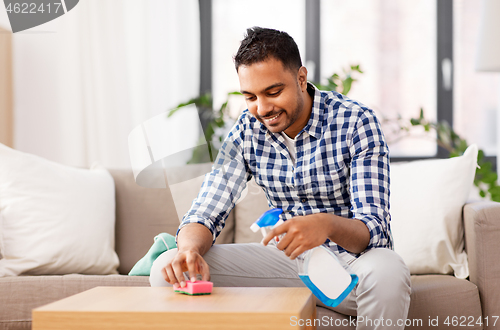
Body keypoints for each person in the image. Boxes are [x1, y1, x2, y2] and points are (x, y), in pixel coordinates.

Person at [150, 26, 411, 329]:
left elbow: (375, 230)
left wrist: (325, 224)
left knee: (389, 272)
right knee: (164, 271)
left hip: (353, 264)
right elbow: (206, 209)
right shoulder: (248, 130)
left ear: (301, 78)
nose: (262, 109)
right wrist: (188, 251)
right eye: (250, 97)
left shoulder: (355, 122)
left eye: (273, 92)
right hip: (289, 264)